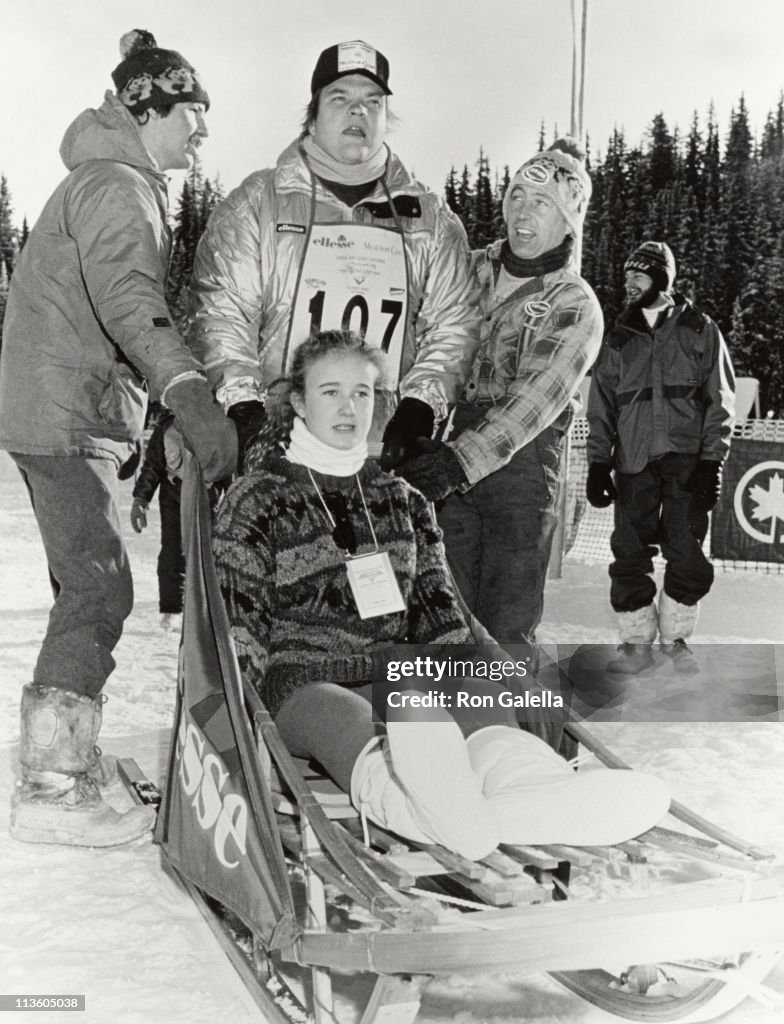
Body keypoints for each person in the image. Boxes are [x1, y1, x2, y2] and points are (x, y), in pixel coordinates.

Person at [213, 329, 670, 862]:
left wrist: (503, 680)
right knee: (342, 714)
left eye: (362, 393)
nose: (348, 408)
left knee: (471, 698)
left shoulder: (401, 499)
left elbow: (442, 616)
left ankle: (528, 788)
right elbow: (237, 623)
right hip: (302, 676)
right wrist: (236, 719)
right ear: (298, 401)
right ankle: (407, 805)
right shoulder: (259, 497)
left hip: (399, 673)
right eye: (330, 392)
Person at [0, 29, 237, 847]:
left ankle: (59, 760)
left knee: (90, 586)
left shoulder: (114, 180)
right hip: (65, 419)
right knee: (101, 589)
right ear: (147, 109)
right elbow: (131, 305)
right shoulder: (115, 187)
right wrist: (185, 388)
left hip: (64, 410)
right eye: (191, 116)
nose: (201, 133)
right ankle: (53, 783)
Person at [187, 39, 480, 473]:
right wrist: (245, 410)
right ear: (314, 112)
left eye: (372, 102)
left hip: (380, 454)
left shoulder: (429, 220)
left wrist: (420, 408)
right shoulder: (257, 204)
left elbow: (454, 324)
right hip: (278, 450)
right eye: (340, 98)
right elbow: (222, 315)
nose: (357, 112)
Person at [399, 140, 602, 659]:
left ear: (569, 221)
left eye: (542, 203)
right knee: (442, 614)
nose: (522, 213)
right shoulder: (466, 270)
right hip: (444, 452)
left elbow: (531, 404)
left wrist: (458, 462)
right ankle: (441, 730)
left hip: (521, 471)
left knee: (506, 625)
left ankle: (510, 734)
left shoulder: (573, 302)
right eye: (517, 196)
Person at [586, 241, 736, 673]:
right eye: (626, 276)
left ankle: (676, 640)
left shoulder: (699, 329)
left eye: (639, 275)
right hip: (633, 463)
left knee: (686, 552)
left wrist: (713, 461)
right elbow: (601, 407)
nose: (629, 284)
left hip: (687, 462)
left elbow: (720, 400)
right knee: (629, 553)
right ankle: (635, 643)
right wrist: (599, 462)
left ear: (662, 279)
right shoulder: (617, 337)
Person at [130, 411, 186, 629]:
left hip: (208, 497)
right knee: (172, 553)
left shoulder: (214, 418)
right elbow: (153, 465)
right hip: (173, 497)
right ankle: (173, 610)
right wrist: (141, 499)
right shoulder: (166, 427)